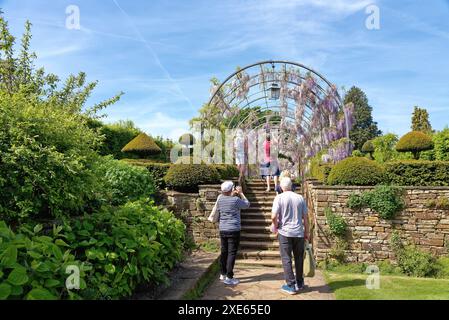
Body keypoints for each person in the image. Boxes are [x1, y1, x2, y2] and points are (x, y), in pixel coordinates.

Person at [271, 177, 309, 295]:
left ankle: (291, 285)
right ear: (291, 186)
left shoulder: (279, 197)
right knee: (298, 258)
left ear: (281, 187)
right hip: (299, 232)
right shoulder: (300, 198)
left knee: (286, 258)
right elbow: (306, 218)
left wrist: (276, 226)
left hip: (285, 233)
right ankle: (300, 283)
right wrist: (306, 233)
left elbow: (273, 216)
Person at [217, 181, 250, 285]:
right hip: (233, 229)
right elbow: (247, 204)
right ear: (231, 189)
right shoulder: (235, 200)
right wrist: (241, 193)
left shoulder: (220, 198)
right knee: (231, 253)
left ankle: (222, 274)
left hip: (223, 229)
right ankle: (229, 277)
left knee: (224, 251)